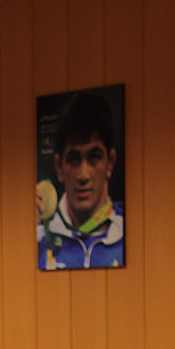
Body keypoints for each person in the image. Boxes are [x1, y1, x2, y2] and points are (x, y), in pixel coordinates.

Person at [38, 91, 124, 270]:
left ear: (110, 163)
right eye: (74, 159)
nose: (83, 175)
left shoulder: (131, 230)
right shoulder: (39, 237)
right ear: (59, 167)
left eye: (94, 157)